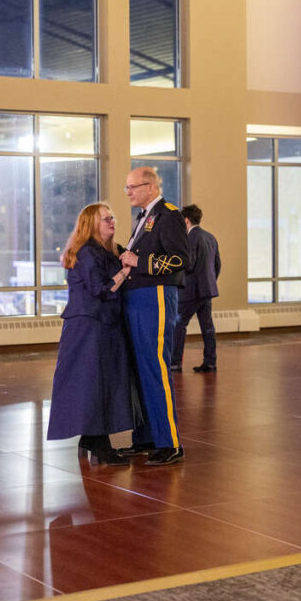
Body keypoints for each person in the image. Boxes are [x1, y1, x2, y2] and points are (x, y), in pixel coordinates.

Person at [46, 203, 138, 466]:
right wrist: (125, 271)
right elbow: (101, 289)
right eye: (106, 218)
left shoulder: (106, 250)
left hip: (101, 324)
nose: (112, 221)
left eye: (112, 217)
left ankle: (91, 437)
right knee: (94, 382)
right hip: (89, 326)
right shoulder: (87, 252)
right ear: (90, 224)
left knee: (98, 382)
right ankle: (100, 443)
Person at [116, 166, 190, 465]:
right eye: (127, 187)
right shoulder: (145, 217)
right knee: (140, 370)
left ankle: (169, 442)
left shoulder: (168, 215)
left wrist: (140, 261)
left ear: (150, 186)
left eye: (132, 187)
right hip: (137, 297)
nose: (128, 192)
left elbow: (181, 259)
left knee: (155, 368)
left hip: (155, 296)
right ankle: (145, 437)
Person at [170, 204, 221, 373]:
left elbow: (189, 264)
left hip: (190, 291)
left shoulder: (189, 238)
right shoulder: (210, 237)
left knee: (178, 324)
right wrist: (209, 282)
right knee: (207, 327)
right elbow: (217, 265)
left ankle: (175, 362)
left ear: (186, 220)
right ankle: (210, 361)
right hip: (207, 290)